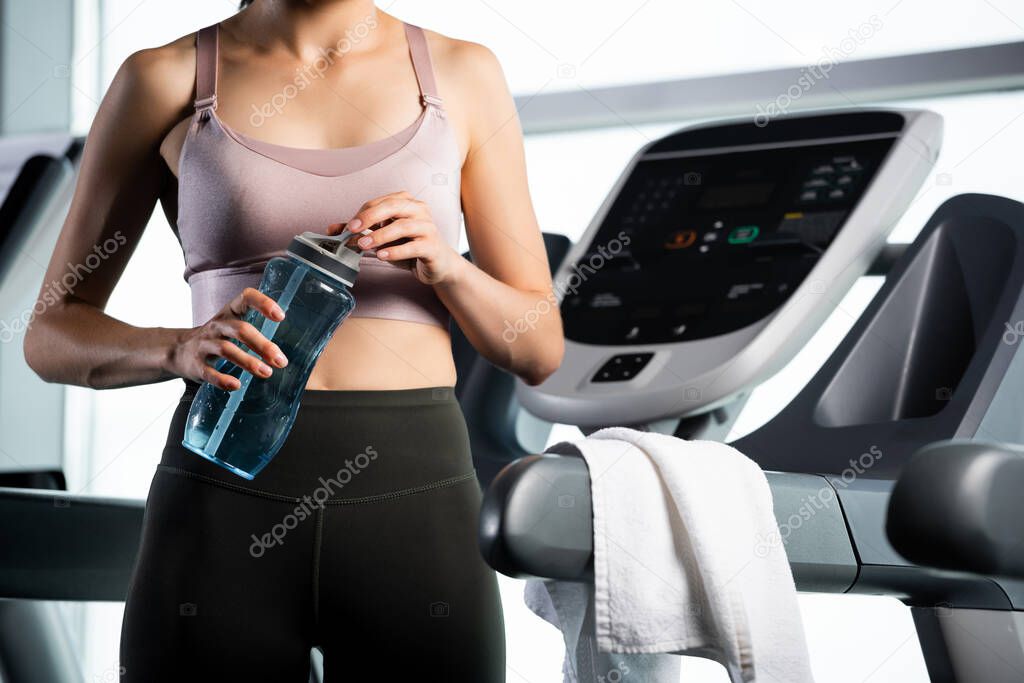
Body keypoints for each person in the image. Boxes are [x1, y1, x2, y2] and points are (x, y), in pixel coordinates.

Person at [23, 1, 563, 680]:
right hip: (221, 491)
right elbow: (50, 332)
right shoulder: (164, 78)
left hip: (415, 500)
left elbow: (539, 346)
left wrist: (447, 267)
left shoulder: (461, 73)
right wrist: (177, 347)